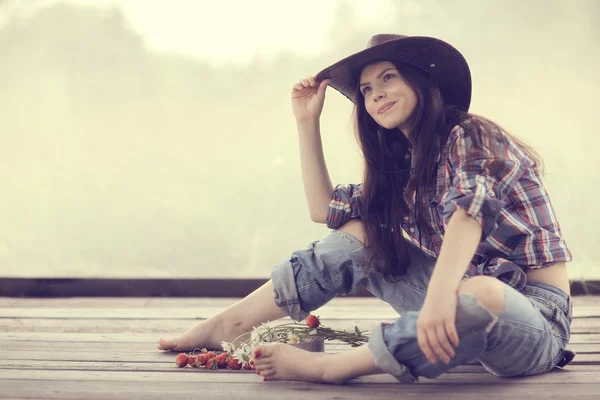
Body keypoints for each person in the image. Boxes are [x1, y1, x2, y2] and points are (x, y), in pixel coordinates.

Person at [158, 34, 575, 384]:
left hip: (534, 320)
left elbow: (469, 213)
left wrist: (439, 298)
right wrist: (307, 122)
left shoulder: (469, 134)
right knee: (364, 234)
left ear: (422, 80)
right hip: (453, 310)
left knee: (482, 293)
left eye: (388, 78)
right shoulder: (407, 168)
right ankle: (229, 324)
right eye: (367, 90)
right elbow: (324, 210)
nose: (376, 95)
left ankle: (333, 369)